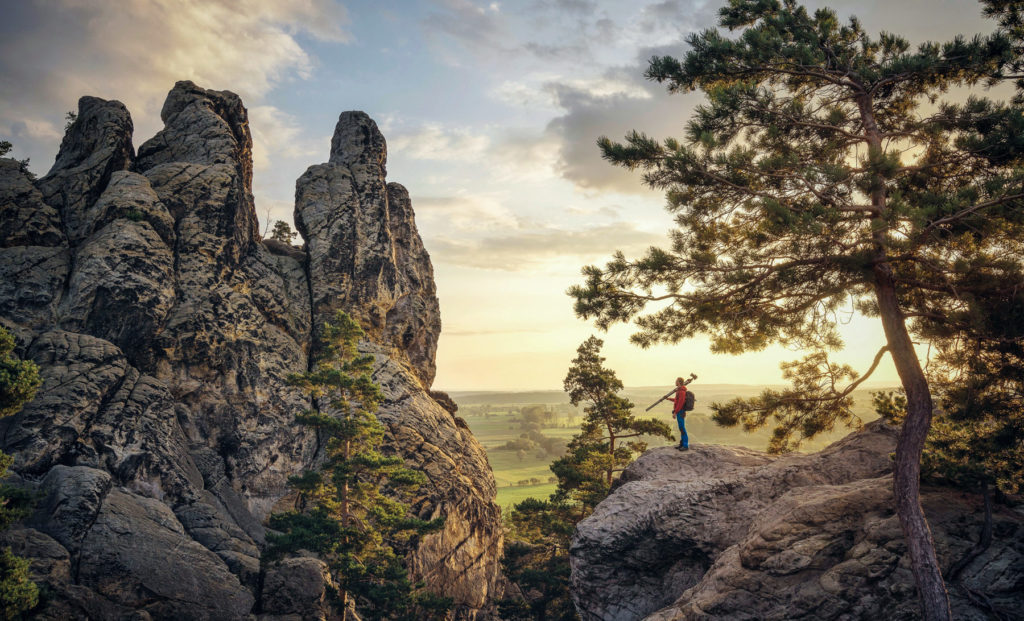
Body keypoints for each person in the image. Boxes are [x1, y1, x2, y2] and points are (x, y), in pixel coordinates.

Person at [670, 377, 689, 451]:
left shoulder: (681, 392)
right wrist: (668, 399)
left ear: (679, 382)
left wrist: (675, 412)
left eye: (676, 380)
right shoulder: (679, 391)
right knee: (681, 428)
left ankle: (685, 445)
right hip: (679, 411)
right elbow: (676, 400)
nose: (675, 381)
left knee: (682, 428)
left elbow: (680, 403)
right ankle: (682, 444)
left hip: (680, 411)